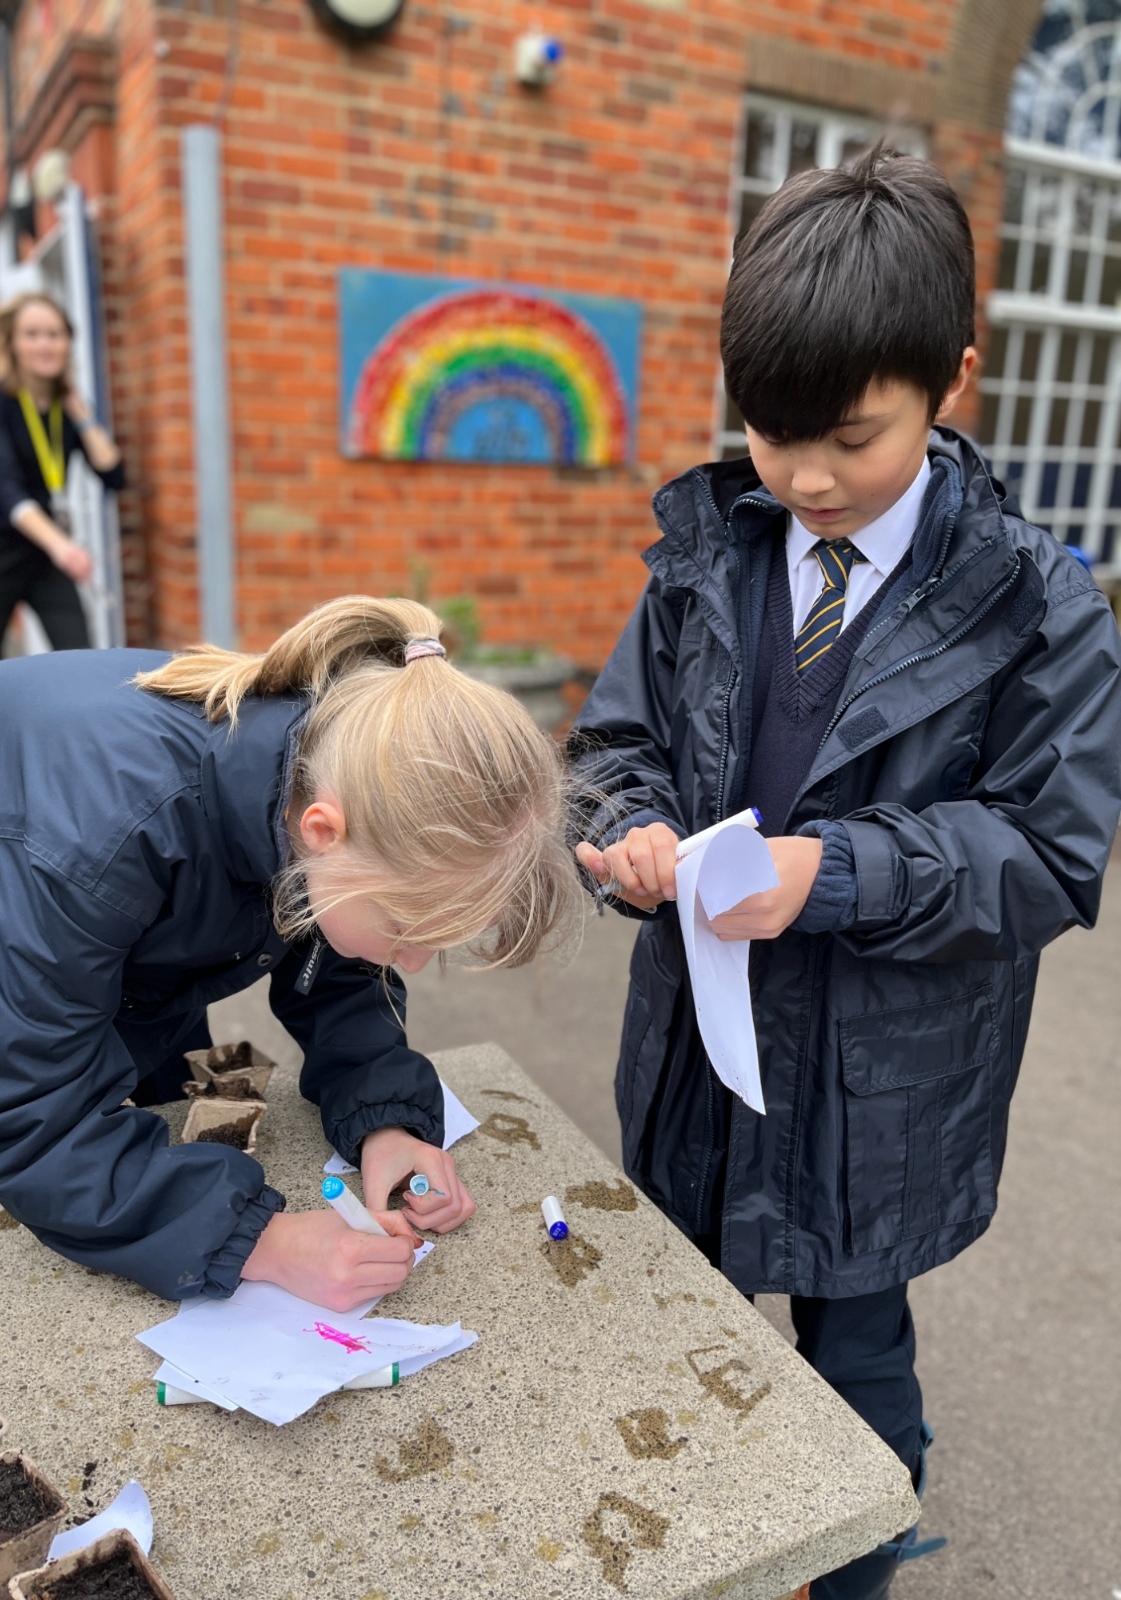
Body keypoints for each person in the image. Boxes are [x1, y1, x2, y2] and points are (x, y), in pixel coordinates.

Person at [569, 148, 1121, 1600]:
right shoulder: (708, 554)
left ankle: (855, 1567)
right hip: (698, 1044)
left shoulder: (1038, 603)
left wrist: (831, 873)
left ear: (953, 381)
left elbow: (1048, 854)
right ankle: (695, 1552)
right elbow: (612, 744)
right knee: (669, 1325)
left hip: (884, 1085)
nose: (805, 476)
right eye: (770, 430)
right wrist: (625, 830)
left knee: (857, 1356)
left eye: (851, 437)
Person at [0, 596, 582, 1311]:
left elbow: (332, 951)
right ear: (322, 832)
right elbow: (25, 1113)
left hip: (102, 944)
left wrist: (383, 1117)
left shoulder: (333, 772)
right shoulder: (100, 838)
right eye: (406, 929)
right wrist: (262, 1241)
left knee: (140, 1115)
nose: (413, 961)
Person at [0, 291, 124, 667]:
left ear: (68, 342)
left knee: (79, 655)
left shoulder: (68, 407)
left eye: (54, 334)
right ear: (13, 343)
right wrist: (62, 547)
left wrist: (83, 417)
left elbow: (114, 475)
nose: (44, 344)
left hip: (43, 552)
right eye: (32, 334)